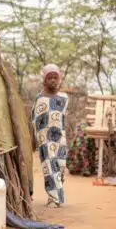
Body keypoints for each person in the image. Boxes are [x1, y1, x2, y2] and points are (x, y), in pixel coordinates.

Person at [31, 64, 69, 207]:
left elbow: (63, 118)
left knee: (60, 167)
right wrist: (34, 140)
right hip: (45, 140)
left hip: (59, 139)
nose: (53, 80)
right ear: (44, 80)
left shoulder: (64, 98)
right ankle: (53, 198)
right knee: (49, 167)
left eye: (55, 77)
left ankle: (57, 194)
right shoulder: (39, 98)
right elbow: (34, 120)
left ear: (59, 79)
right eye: (49, 78)